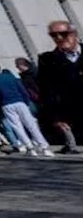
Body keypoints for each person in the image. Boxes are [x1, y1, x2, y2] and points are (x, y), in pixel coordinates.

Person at [0, 61, 52, 156]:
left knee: (17, 126)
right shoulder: (10, 76)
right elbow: (21, 88)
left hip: (6, 104)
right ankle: (44, 146)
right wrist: (26, 101)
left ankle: (30, 148)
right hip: (19, 101)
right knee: (31, 125)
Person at [38, 20, 83, 155]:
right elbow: (46, 91)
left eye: (63, 34)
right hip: (71, 116)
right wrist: (55, 117)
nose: (59, 38)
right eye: (53, 35)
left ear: (74, 34)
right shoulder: (47, 59)